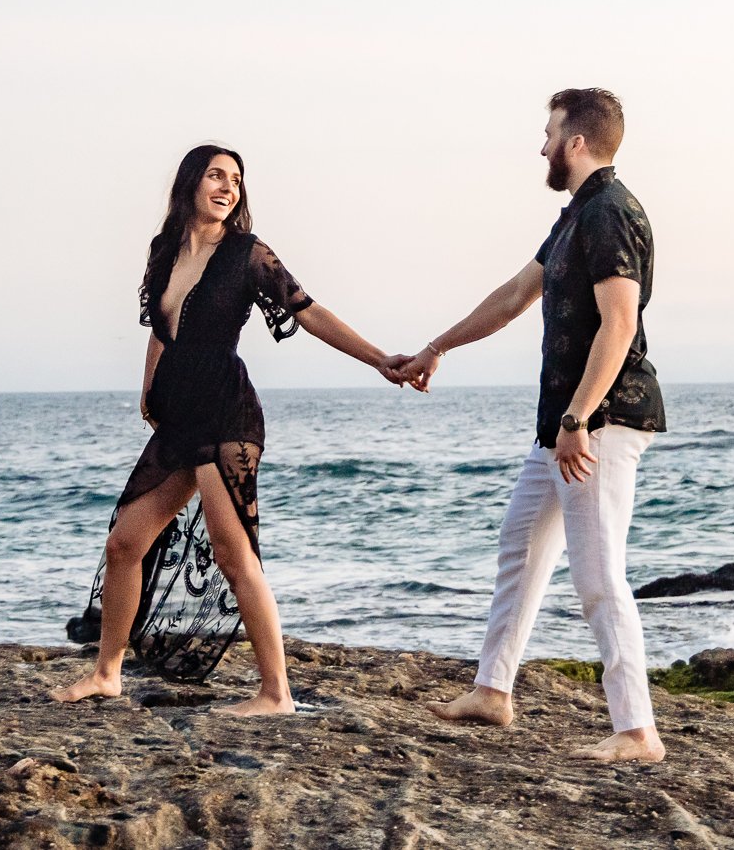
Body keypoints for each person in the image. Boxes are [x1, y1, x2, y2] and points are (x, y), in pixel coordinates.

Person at [52, 143, 400, 716]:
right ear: (190, 183)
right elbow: (161, 331)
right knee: (124, 543)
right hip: (180, 417)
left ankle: (276, 694)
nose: (228, 187)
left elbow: (307, 310)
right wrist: (148, 389)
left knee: (234, 556)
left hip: (228, 414)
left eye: (236, 180)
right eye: (217, 175)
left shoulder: (247, 254)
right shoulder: (165, 253)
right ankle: (108, 673)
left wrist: (380, 359)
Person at [386, 88, 668, 763]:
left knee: (598, 575)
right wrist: (437, 347)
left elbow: (620, 322)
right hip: (563, 427)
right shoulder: (575, 217)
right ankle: (493, 690)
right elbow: (514, 297)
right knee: (521, 542)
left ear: (576, 141)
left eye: (548, 134)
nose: (541, 145)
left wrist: (578, 416)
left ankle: (637, 731)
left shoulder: (609, 212)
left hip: (596, 421)